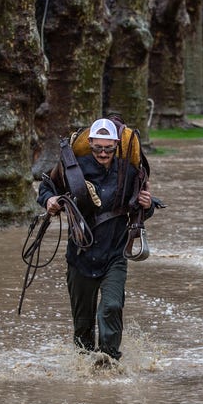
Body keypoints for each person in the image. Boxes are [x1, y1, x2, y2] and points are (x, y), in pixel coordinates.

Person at [38, 118, 155, 365]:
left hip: (115, 254)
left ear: (116, 145)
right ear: (90, 143)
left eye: (108, 148)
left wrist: (149, 204)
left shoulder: (130, 172)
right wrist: (49, 200)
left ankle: (109, 361)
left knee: (112, 306)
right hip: (80, 254)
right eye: (98, 148)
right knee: (82, 325)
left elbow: (142, 208)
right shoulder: (72, 169)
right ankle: (83, 366)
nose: (103, 153)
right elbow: (46, 187)